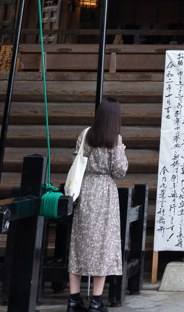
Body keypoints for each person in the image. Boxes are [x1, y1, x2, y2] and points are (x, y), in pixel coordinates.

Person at [68, 98, 128, 312]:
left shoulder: (85, 135)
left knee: (78, 244)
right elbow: (120, 171)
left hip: (84, 190)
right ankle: (96, 301)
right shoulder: (114, 139)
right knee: (102, 246)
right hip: (104, 193)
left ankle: (74, 300)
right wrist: (121, 149)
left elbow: (76, 160)